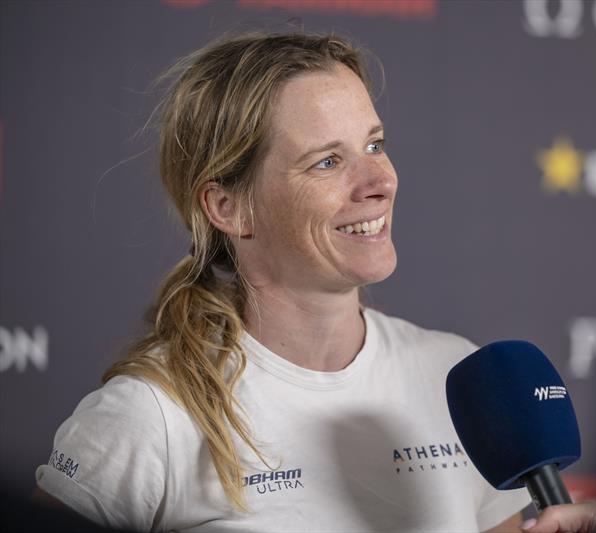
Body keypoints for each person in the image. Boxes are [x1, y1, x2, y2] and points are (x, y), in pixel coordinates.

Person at [33, 32, 545, 533]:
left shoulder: (457, 376)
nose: (380, 182)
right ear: (229, 208)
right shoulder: (148, 415)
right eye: (327, 161)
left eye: (375, 144)